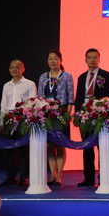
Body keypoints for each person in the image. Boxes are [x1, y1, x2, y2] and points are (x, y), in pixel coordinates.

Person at [74, 48, 109, 187]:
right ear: (85, 60)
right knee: (87, 148)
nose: (92, 60)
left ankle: (104, 177)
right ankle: (88, 178)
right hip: (85, 116)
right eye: (89, 57)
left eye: (95, 57)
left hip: (100, 116)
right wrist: (77, 116)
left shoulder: (106, 75)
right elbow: (78, 98)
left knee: (102, 147)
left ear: (99, 59)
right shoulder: (81, 77)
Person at [37, 50, 74, 186]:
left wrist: (67, 116)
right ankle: (52, 174)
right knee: (50, 145)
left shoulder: (67, 76)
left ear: (60, 60)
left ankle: (59, 175)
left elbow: (71, 98)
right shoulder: (43, 77)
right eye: (50, 59)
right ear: (47, 61)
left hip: (62, 113)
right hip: (47, 114)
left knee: (60, 144)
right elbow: (40, 97)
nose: (53, 61)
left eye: (55, 58)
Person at [0, 60, 36, 186]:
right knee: (9, 150)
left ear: (23, 69)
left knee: (23, 150)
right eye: (12, 67)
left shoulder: (29, 84)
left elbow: (32, 103)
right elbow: (3, 105)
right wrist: (1, 122)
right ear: (9, 69)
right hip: (8, 119)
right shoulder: (6, 85)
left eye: (17, 67)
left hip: (23, 119)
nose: (14, 70)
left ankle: (24, 177)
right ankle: (11, 176)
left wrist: (28, 120)